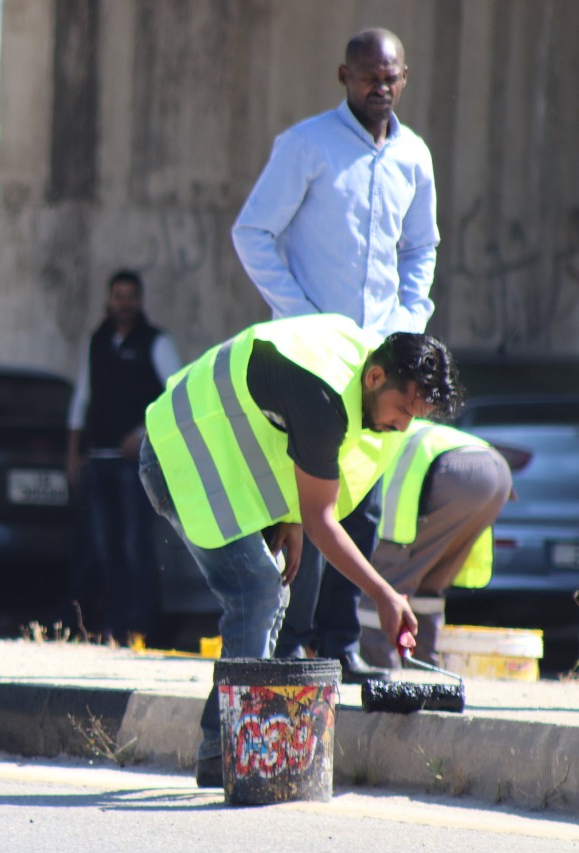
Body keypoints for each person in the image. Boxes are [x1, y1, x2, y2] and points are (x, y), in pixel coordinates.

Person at [136, 314, 462, 787]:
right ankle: (225, 751)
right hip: (180, 457)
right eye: (403, 411)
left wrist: (289, 514)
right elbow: (323, 520)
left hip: (216, 462)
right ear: (375, 378)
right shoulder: (324, 395)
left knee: (266, 595)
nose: (402, 425)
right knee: (258, 591)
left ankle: (224, 744)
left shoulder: (361, 361)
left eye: (415, 418)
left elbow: (284, 432)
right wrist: (385, 595)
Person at [232, 28, 440, 682]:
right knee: (306, 494)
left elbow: (421, 248)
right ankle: (291, 642)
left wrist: (409, 322)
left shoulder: (413, 156)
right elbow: (253, 231)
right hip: (313, 358)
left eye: (392, 76)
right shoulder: (306, 146)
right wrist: (300, 317)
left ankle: (339, 642)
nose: (381, 86)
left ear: (404, 79)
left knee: (361, 499)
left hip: (380, 359)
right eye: (368, 75)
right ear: (343, 76)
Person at [66, 269, 182, 643]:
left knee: (136, 547)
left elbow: (178, 395)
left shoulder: (155, 342)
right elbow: (82, 398)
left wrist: (143, 434)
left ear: (140, 300)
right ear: (108, 299)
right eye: (118, 295)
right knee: (104, 549)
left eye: (131, 296)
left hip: (136, 467)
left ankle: (144, 629)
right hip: (97, 462)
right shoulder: (97, 342)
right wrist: (73, 453)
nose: (124, 303)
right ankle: (114, 629)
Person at [357, 422, 512, 668]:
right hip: (497, 471)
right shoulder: (402, 419)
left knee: (385, 582)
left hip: (452, 474)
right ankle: (422, 669)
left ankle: (380, 671)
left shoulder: (371, 428)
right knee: (428, 584)